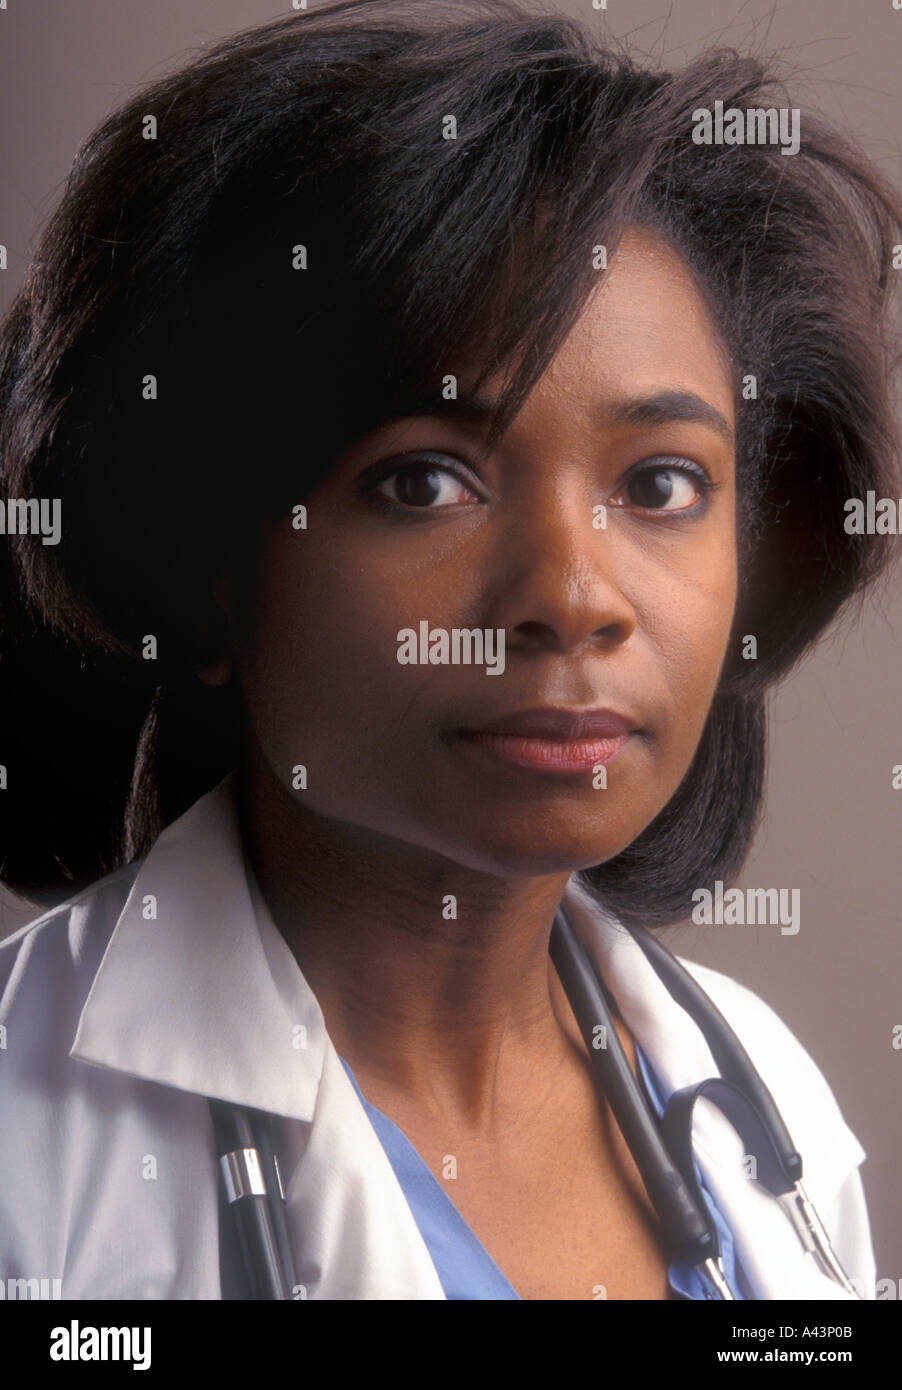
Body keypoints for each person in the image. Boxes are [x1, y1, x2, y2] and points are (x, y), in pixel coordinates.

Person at [0, 0, 899, 1301]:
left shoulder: (774, 1115)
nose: (573, 597)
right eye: (423, 482)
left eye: (658, 483)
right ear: (203, 562)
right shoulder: (31, 1155)